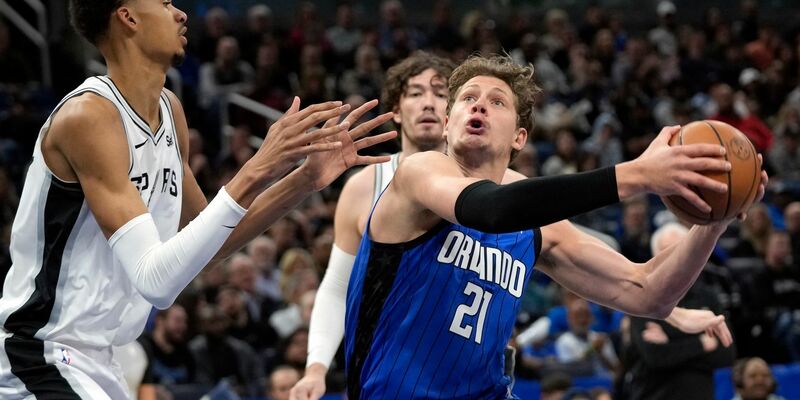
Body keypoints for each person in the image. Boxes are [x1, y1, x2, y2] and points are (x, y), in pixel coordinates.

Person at [0, 1, 395, 398]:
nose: (181, 13)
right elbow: (156, 281)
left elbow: (209, 241)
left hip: (102, 356)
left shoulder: (171, 110)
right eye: (165, 3)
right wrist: (259, 166)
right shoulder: (88, 117)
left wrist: (305, 179)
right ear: (128, 17)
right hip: (41, 351)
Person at [293, 51, 736, 400]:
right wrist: (637, 175)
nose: (478, 105)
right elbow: (491, 209)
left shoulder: (535, 219)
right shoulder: (418, 173)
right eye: (467, 98)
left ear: (519, 138)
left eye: (496, 101)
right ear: (447, 126)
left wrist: (715, 221)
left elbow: (648, 291)